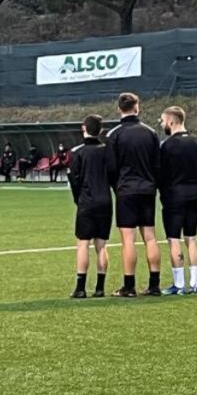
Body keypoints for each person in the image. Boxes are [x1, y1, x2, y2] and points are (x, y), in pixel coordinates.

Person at [106, 93, 162, 297]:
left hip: (126, 190)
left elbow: (111, 168)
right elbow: (158, 165)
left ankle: (129, 286)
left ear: (119, 108)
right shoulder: (151, 133)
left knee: (128, 239)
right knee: (150, 236)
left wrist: (117, 187)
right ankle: (154, 284)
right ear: (137, 107)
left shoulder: (115, 135)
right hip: (147, 189)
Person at [158, 106, 197, 295]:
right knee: (191, 239)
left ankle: (179, 284)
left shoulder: (167, 146)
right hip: (193, 195)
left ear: (171, 121)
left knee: (174, 240)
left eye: (162, 121)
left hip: (173, 197)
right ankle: (195, 283)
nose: (162, 124)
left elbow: (161, 174)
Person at [68, 115, 111, 298]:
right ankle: (100, 288)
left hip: (87, 201)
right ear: (100, 130)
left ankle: (80, 288)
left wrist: (79, 199)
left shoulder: (77, 152)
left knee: (83, 244)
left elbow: (74, 180)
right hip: (105, 201)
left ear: (83, 128)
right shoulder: (107, 151)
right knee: (101, 245)